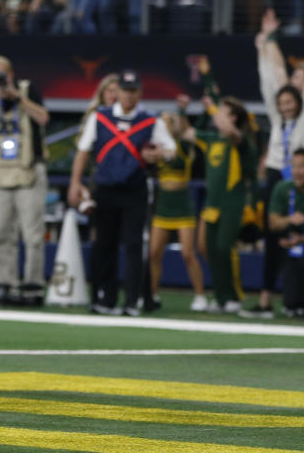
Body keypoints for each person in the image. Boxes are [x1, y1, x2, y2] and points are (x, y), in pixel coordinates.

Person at [69, 70, 176, 316]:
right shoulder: (100, 117)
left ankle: (132, 300)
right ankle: (105, 298)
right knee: (104, 244)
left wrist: (160, 155)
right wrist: (76, 182)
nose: (128, 96)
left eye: (133, 91)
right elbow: (83, 151)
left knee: (133, 244)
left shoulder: (151, 121)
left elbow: (171, 150)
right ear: (117, 93)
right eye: (125, 91)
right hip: (105, 188)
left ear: (139, 93)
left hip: (134, 189)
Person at [243, 11, 304, 317]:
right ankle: (267, 299)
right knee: (272, 237)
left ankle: (298, 300)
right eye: (284, 101)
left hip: (301, 175)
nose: (287, 104)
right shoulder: (277, 115)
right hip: (276, 174)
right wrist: (265, 43)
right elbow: (269, 82)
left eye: (293, 98)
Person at [0, 56, 49, 307]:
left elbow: (43, 118)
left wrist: (18, 97)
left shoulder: (27, 89)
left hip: (29, 169)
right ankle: (5, 285)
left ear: (11, 73)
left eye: (0, 73)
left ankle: (32, 287)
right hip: (2, 171)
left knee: (33, 234)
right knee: (3, 231)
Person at [189, 95, 257, 313]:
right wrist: (195, 113)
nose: (217, 115)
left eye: (223, 112)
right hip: (212, 203)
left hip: (232, 203)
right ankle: (220, 298)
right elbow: (187, 133)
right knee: (211, 250)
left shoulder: (240, 140)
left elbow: (231, 132)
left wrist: (210, 109)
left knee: (224, 248)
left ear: (234, 118)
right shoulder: (211, 139)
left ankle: (234, 296)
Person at [148, 105, 206, 312]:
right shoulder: (154, 146)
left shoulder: (182, 145)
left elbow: (189, 133)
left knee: (188, 254)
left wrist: (181, 111)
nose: (164, 124)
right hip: (163, 205)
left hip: (183, 206)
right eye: (161, 120)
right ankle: (152, 295)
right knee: (154, 253)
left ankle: (200, 296)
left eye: (168, 121)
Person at [270, 148, 304, 316]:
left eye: (302, 167)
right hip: (291, 245)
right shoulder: (283, 188)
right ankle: (277, 301)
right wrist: (290, 219)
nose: (297, 172)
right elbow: (273, 223)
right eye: (294, 166)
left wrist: (301, 240)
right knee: (291, 303)